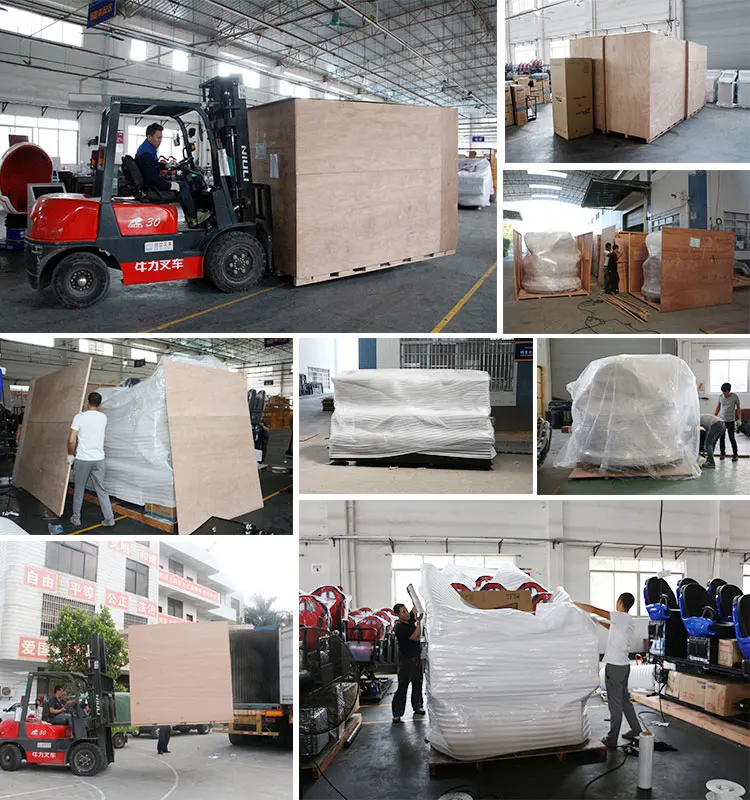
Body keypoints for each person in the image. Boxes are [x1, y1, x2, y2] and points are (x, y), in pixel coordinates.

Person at [574, 593, 642, 748]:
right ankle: (636, 729)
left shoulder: (620, 616)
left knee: (615, 704)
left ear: (620, 602)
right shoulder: (627, 620)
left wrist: (576, 604)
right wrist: (598, 622)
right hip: (624, 666)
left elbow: (595, 609)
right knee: (624, 701)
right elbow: (611, 627)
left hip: (615, 667)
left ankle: (612, 738)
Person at [135, 123, 199, 227]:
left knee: (179, 182)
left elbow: (153, 166)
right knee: (182, 185)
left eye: (161, 138)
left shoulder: (147, 148)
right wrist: (170, 186)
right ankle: (193, 217)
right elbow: (151, 178)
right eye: (158, 138)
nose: (160, 141)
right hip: (151, 186)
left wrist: (166, 165)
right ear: (149, 137)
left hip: (151, 183)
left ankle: (190, 216)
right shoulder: (146, 154)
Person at [68, 392, 115, 528]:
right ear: (100, 404)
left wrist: (70, 454)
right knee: (101, 490)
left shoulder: (79, 417)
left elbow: (71, 440)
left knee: (79, 489)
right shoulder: (103, 417)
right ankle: (109, 519)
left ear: (87, 402)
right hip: (99, 459)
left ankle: (76, 517)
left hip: (83, 459)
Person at [391, 603, 425, 723]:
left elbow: (415, 609)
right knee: (402, 687)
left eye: (406, 610)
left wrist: (414, 598)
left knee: (418, 684)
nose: (406, 613)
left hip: (416, 660)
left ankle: (418, 706)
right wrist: (419, 622)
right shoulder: (400, 628)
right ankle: (397, 713)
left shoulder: (408, 622)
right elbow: (416, 637)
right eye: (403, 612)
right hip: (406, 662)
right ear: (397, 615)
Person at [714, 382, 741, 462]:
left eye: (725, 393)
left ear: (729, 391)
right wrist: (714, 416)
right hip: (722, 420)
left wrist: (739, 419)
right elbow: (718, 407)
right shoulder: (720, 397)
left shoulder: (734, 396)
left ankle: (735, 454)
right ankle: (722, 453)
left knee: (731, 437)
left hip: (731, 421)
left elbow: (738, 408)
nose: (724, 395)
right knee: (721, 437)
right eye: (723, 393)